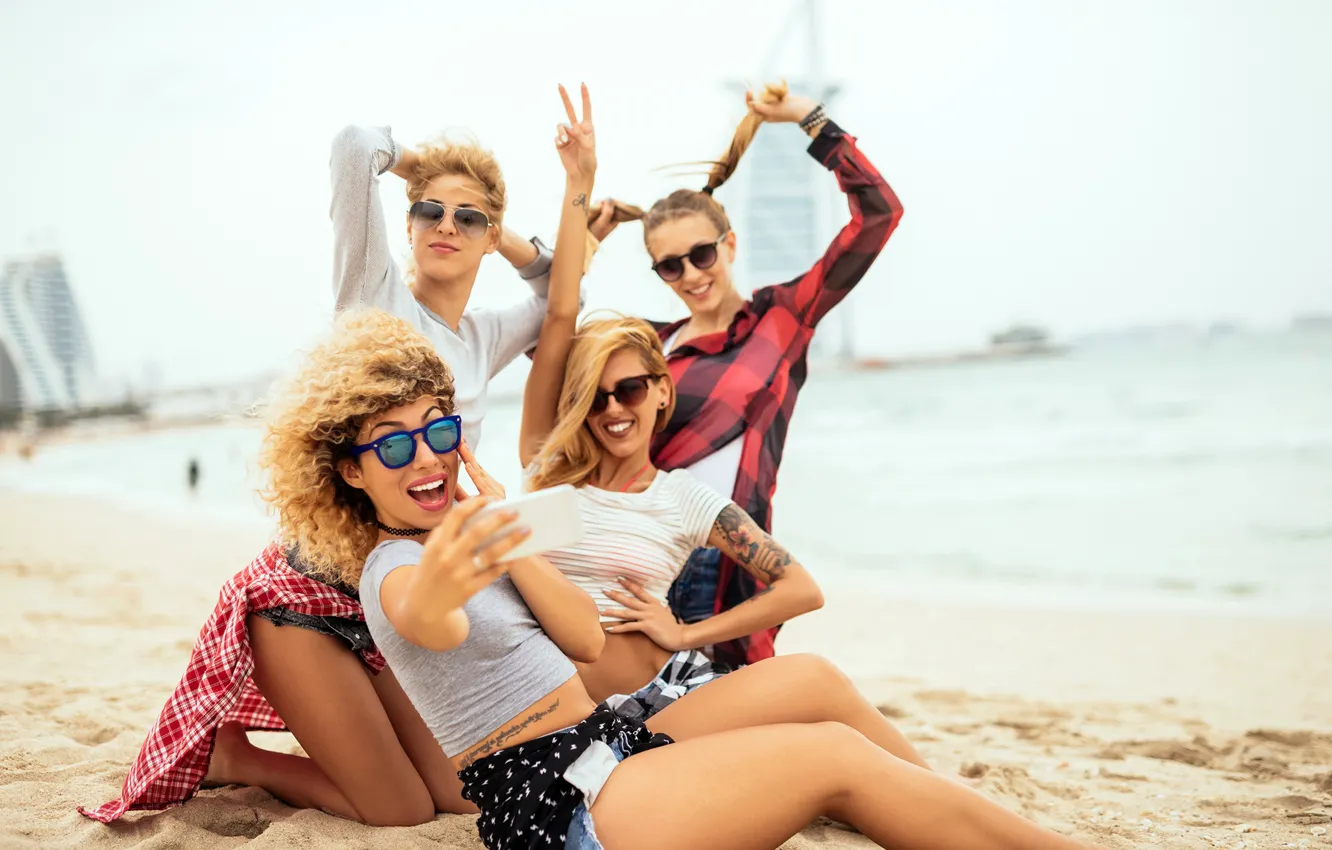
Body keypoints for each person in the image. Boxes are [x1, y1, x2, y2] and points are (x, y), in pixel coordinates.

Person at [279, 308, 1101, 850]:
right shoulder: (395, 568)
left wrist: (509, 538)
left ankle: (948, 810)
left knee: (814, 686)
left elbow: (581, 637)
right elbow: (431, 622)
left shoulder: (480, 534)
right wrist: (448, 573)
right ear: (349, 474)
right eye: (392, 445)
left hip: (603, 739)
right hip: (554, 801)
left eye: (438, 432)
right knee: (832, 761)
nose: (424, 458)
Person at [78, 88, 592, 825]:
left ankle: (339, 740)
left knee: (456, 793)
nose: (445, 225)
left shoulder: (484, 337)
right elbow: (356, 146)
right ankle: (237, 757)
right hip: (310, 598)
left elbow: (558, 297)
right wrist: (431, 174)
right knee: (400, 811)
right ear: (407, 222)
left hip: (404, 597)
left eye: (466, 218)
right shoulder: (372, 291)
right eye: (428, 213)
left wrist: (530, 210)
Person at [589, 83, 904, 665]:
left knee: (741, 698)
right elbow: (557, 350)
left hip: (732, 557)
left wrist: (810, 120)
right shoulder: (649, 347)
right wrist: (582, 244)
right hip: (643, 548)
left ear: (729, 244)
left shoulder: (782, 317)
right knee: (643, 709)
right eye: (669, 265)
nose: (689, 273)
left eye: (701, 254)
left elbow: (879, 215)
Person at [517, 315, 824, 717]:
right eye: (595, 395)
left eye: (629, 390)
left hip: (664, 698)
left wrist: (684, 634)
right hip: (563, 712)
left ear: (661, 391)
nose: (612, 408)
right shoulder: (545, 473)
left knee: (822, 697)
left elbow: (801, 589)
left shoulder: (681, 497)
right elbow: (557, 312)